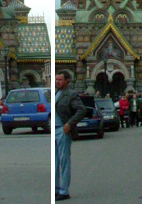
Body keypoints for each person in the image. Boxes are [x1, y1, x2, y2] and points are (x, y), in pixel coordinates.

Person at [55, 70, 86, 202]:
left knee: (64, 161)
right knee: (55, 162)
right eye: (56, 79)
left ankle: (64, 191)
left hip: (63, 130)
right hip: (55, 131)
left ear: (67, 80)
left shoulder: (71, 94)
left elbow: (82, 110)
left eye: (60, 80)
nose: (57, 82)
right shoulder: (56, 93)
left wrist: (69, 125)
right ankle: (56, 189)